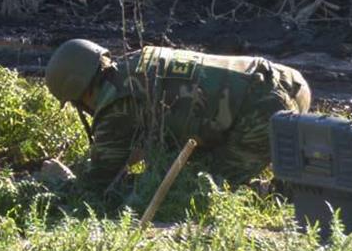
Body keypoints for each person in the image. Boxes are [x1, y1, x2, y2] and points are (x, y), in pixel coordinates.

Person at [43, 39, 311, 189]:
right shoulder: (134, 64)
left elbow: (100, 183)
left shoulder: (116, 104)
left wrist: (59, 180)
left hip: (262, 113)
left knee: (199, 187)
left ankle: (272, 192)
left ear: (79, 91)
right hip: (290, 82)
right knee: (183, 164)